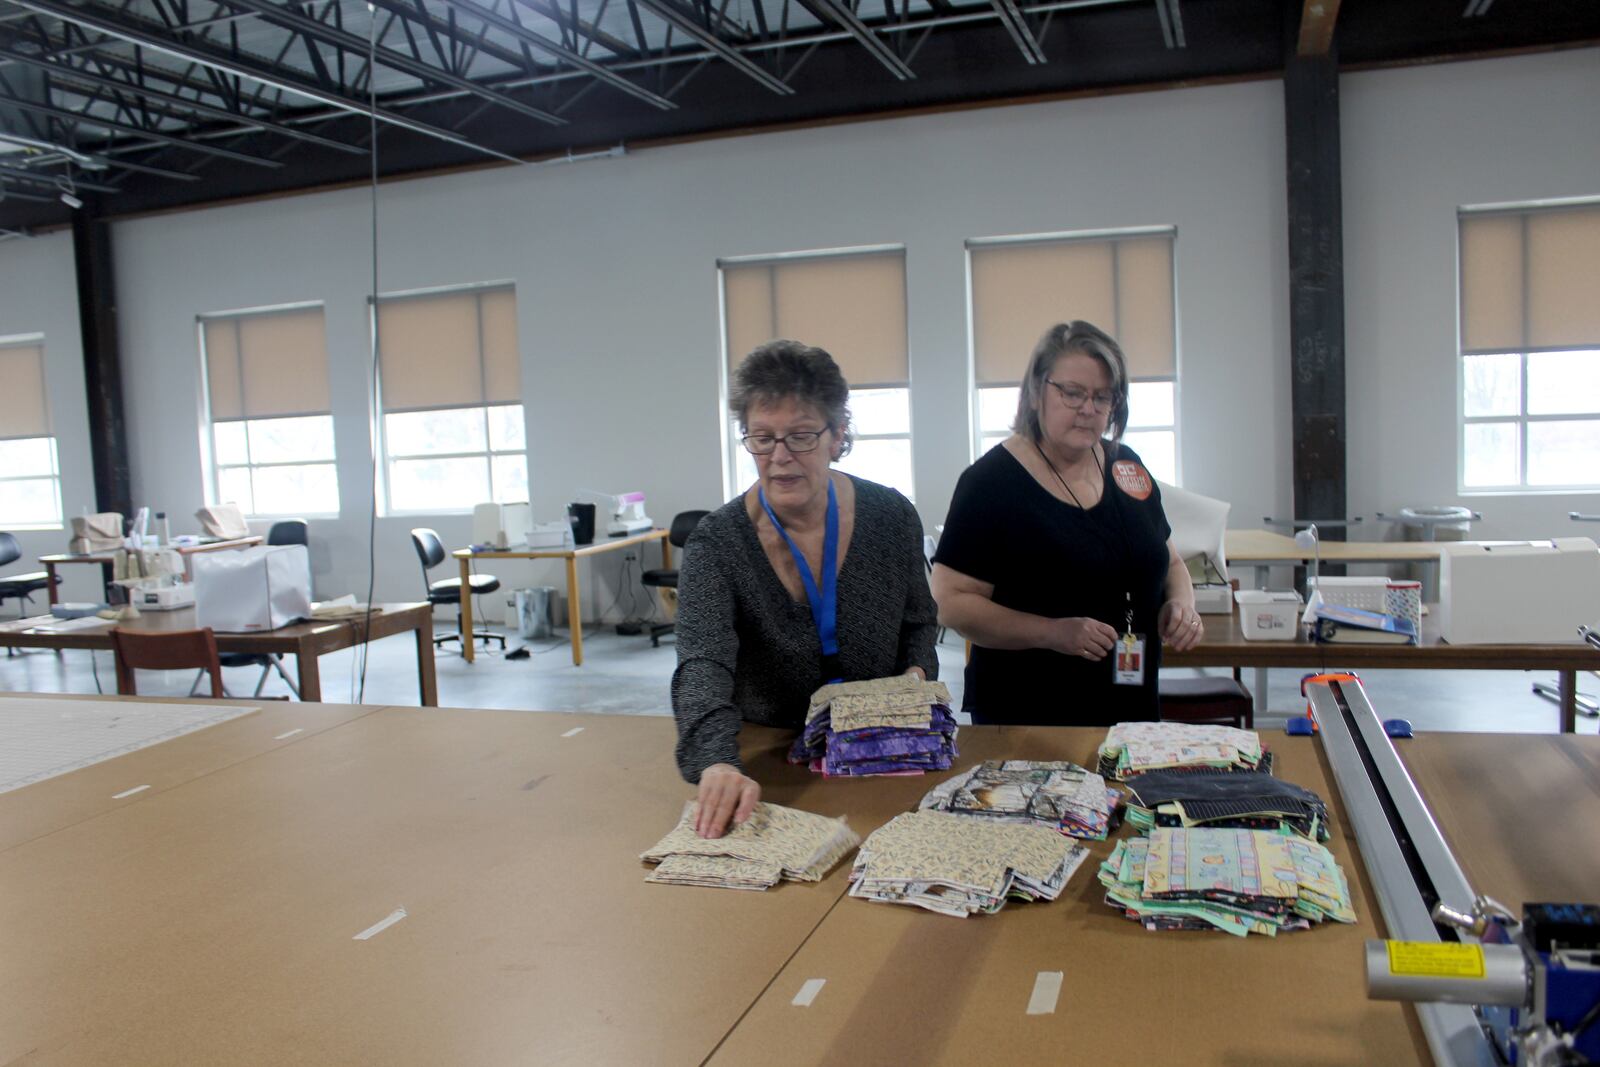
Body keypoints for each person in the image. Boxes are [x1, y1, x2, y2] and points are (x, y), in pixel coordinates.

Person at [672, 340, 939, 838]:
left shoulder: (891, 516)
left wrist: (916, 677)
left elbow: (920, 620)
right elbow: (702, 662)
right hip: (766, 756)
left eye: (800, 437)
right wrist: (716, 762)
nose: (779, 458)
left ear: (838, 435)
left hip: (877, 747)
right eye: (762, 438)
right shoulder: (717, 542)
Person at [931, 320, 1203, 726]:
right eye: (1072, 393)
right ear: (1037, 393)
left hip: (1130, 706)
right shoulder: (991, 483)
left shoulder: (1126, 465)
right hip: (1030, 714)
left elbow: (1171, 562)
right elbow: (950, 604)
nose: (1088, 409)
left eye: (1102, 396)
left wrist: (1182, 605)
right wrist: (1052, 632)